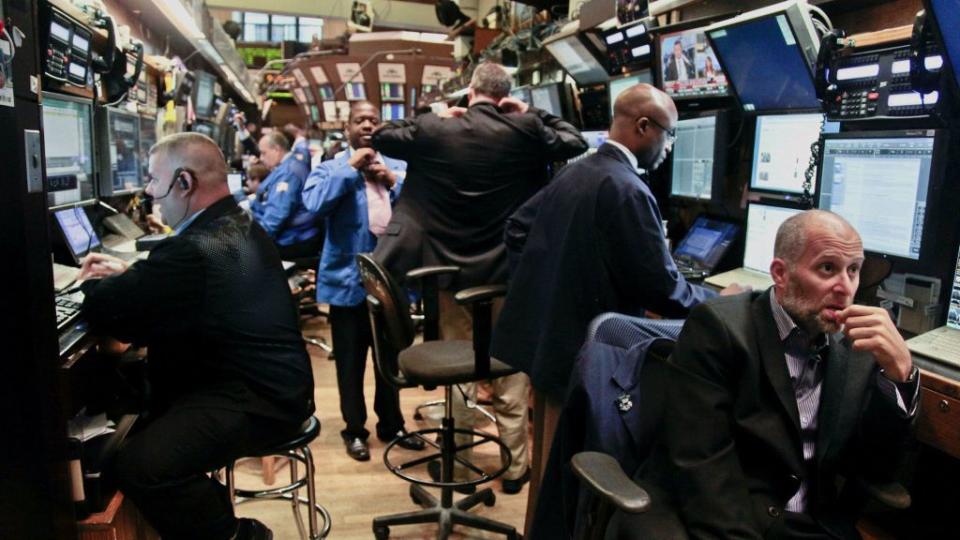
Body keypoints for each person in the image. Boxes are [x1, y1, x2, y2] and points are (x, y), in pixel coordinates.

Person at [490, 83, 742, 532]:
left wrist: (551, 285)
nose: (669, 147)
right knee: (564, 476)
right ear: (644, 127)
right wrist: (720, 303)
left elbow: (518, 229)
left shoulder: (578, 169)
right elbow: (662, 289)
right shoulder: (627, 188)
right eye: (669, 134)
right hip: (582, 352)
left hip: (550, 339)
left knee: (548, 466)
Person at [613, 210, 918, 539]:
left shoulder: (858, 347)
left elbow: (876, 469)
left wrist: (900, 375)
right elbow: (701, 466)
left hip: (813, 524)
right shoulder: (718, 329)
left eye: (854, 270)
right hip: (723, 517)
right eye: (827, 268)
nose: (845, 287)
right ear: (781, 273)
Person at [78, 133, 315, 540]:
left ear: (184, 183)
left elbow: (108, 309)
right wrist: (132, 278)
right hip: (275, 385)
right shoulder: (238, 223)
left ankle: (240, 536)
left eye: (154, 180)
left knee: (140, 466)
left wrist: (84, 285)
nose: (150, 192)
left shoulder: (193, 248)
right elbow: (175, 288)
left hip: (257, 400)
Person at [371, 61, 588, 494]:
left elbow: (381, 135)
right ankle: (514, 467)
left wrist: (436, 112)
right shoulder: (524, 129)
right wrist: (532, 111)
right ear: (504, 95)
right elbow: (575, 141)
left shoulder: (436, 130)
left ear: (469, 91)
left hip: (450, 273)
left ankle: (463, 462)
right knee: (510, 368)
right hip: (509, 271)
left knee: (461, 366)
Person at [301, 101, 423, 461]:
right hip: (346, 282)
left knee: (390, 360)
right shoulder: (330, 168)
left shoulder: (398, 167)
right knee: (350, 363)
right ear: (347, 128)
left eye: (373, 119)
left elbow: (421, 207)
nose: (367, 125)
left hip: (391, 280)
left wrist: (392, 182)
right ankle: (354, 429)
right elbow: (313, 205)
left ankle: (392, 425)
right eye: (360, 120)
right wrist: (352, 169)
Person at [251, 131, 322, 260]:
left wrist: (255, 242)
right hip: (294, 235)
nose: (261, 158)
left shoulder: (288, 173)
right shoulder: (291, 164)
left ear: (277, 149)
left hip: (291, 240)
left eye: (264, 153)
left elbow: (277, 215)